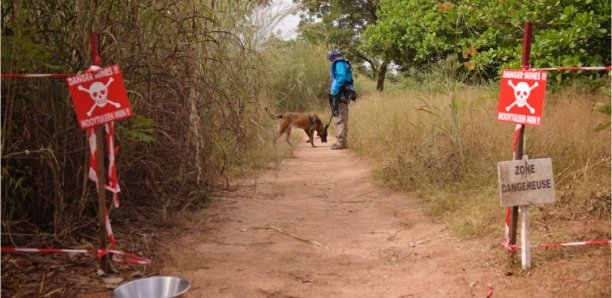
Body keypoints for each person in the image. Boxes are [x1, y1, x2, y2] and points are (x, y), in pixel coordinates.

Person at [327, 50, 355, 150]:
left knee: (340, 118)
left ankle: (341, 142)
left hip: (340, 93)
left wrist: (333, 91)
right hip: (342, 93)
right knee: (339, 116)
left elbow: (341, 78)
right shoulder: (343, 62)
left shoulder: (339, 63)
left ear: (332, 57)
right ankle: (341, 141)